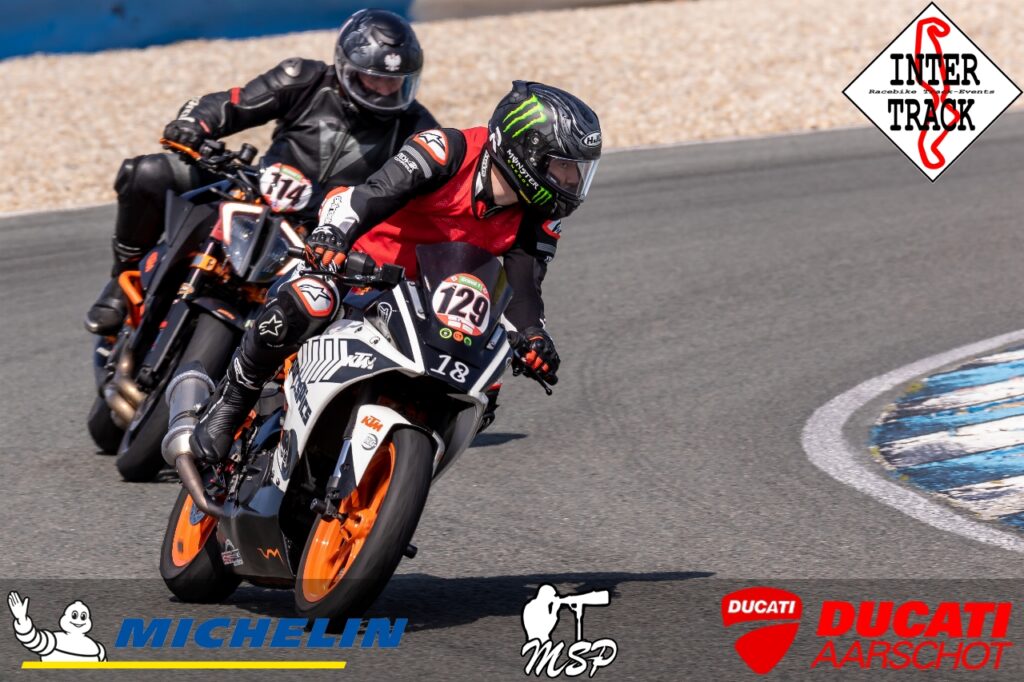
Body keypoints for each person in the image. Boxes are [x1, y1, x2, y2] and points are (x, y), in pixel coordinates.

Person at [190, 80, 602, 464]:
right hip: (354, 266)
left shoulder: (540, 217)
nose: (571, 181)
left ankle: (386, 469)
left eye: (578, 172)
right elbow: (368, 196)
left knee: (485, 386)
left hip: (427, 301)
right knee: (309, 302)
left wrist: (532, 336)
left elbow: (524, 285)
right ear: (523, 151)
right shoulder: (446, 150)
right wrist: (333, 235)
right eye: (563, 167)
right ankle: (233, 399)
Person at [84, 9, 438, 335]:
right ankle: (122, 279)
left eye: (395, 82)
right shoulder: (305, 79)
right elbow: (232, 104)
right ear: (347, 66)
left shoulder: (418, 126)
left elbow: (438, 188)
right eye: (374, 79)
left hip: (326, 231)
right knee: (147, 173)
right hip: (255, 190)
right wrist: (194, 125)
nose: (385, 90)